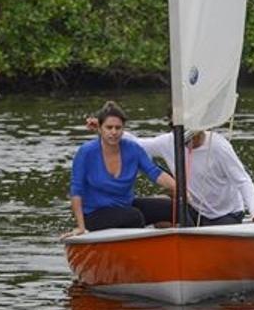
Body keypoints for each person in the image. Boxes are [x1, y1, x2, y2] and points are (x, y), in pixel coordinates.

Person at [86, 116, 254, 226]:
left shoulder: (219, 146)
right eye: (183, 138)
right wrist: (105, 130)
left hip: (224, 215)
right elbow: (140, 146)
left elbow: (243, 181)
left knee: (190, 229)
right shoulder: (170, 141)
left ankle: (178, 228)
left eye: (192, 137)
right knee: (150, 210)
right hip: (192, 210)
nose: (188, 143)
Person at [61, 101, 176, 239]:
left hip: (125, 207)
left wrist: (181, 190)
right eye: (109, 127)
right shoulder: (86, 152)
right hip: (94, 214)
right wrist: (81, 227)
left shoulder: (133, 148)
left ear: (123, 129)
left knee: (172, 207)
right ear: (100, 129)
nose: (114, 132)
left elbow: (155, 173)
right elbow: (76, 190)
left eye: (118, 128)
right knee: (134, 217)